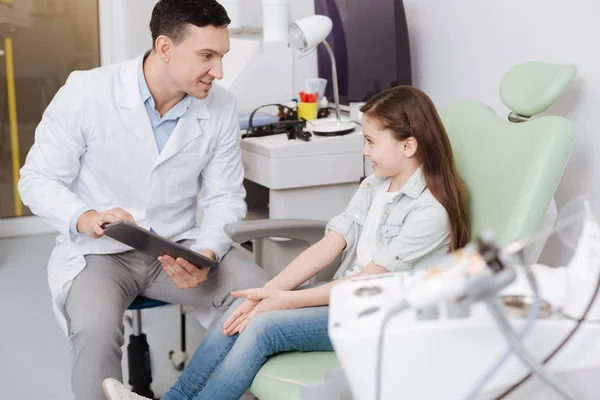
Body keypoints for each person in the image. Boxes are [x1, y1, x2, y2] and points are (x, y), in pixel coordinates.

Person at [102, 85, 472, 400]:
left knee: (263, 327)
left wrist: (284, 301)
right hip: (347, 299)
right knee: (244, 307)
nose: (364, 151)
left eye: (371, 142)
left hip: (382, 314)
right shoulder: (375, 185)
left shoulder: (430, 210)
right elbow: (330, 244)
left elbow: (368, 281)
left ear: (408, 146)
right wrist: (268, 292)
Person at [17, 1, 269, 399]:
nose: (218, 72)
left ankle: (202, 392)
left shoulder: (220, 105)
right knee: (94, 329)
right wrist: (84, 217)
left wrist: (206, 251)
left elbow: (225, 197)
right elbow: (36, 180)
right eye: (207, 56)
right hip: (101, 251)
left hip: (179, 246)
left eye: (222, 56)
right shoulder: (87, 92)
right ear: (165, 47)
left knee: (257, 297)